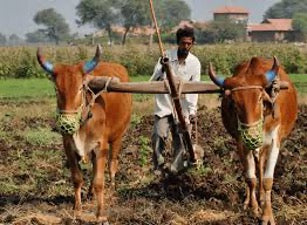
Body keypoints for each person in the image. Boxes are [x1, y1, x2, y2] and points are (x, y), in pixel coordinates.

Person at [150, 27, 201, 174]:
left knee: (182, 139)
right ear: (178, 43)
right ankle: (158, 165)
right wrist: (162, 68)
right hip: (165, 105)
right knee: (158, 135)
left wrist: (192, 112)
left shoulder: (195, 63)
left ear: (192, 44)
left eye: (188, 44)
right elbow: (153, 79)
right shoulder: (165, 56)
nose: (185, 47)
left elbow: (195, 88)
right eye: (183, 43)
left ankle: (175, 168)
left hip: (183, 108)